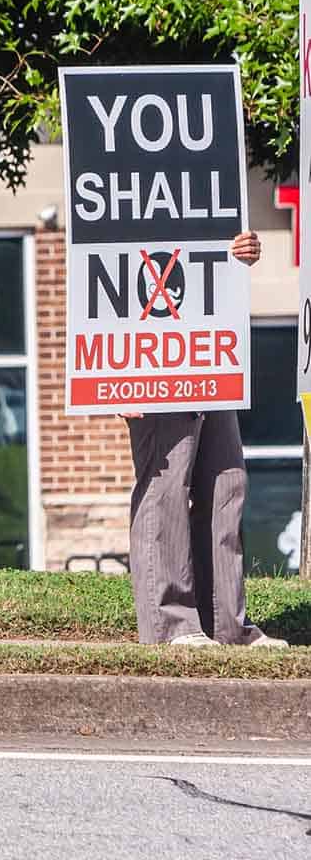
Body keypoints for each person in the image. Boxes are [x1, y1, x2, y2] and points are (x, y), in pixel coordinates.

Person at [120, 230, 287, 648]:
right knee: (166, 486)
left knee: (227, 481)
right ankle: (172, 625)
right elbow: (100, 266)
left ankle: (227, 626)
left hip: (209, 351)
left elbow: (209, 255)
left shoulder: (206, 179)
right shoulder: (123, 178)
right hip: (151, 353)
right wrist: (113, 376)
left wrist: (238, 252)